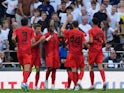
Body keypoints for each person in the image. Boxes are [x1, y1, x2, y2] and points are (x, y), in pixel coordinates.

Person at [61, 19, 86, 90]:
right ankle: (79, 81)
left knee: (73, 70)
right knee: (82, 69)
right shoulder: (81, 33)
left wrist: (66, 21)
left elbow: (62, 29)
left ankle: (76, 85)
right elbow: (84, 43)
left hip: (71, 54)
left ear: (72, 25)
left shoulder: (70, 32)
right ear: (78, 25)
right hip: (79, 54)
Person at [12, 17, 35, 91]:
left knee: (25, 69)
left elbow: (13, 38)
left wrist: (16, 44)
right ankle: (24, 83)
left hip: (19, 51)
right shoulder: (30, 30)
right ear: (27, 23)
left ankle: (25, 82)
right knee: (27, 69)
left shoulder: (17, 30)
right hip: (27, 51)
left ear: (21, 23)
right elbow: (33, 40)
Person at [88, 17, 107, 90]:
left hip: (92, 50)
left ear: (92, 23)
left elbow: (91, 41)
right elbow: (104, 42)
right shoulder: (101, 31)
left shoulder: (91, 30)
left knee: (91, 67)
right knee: (100, 67)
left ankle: (92, 85)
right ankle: (104, 81)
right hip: (99, 50)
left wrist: (86, 42)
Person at [44, 19, 60, 90]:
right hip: (49, 54)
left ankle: (53, 85)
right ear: (48, 28)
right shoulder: (46, 34)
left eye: (53, 27)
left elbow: (60, 43)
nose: (52, 28)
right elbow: (43, 41)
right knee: (49, 68)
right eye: (51, 27)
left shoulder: (56, 35)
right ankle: (46, 80)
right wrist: (49, 37)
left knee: (54, 69)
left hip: (56, 54)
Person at [31, 24, 45, 89]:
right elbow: (32, 46)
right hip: (31, 55)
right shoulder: (32, 35)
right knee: (29, 70)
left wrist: (43, 37)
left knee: (37, 70)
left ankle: (36, 85)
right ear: (35, 29)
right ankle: (24, 82)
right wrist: (40, 40)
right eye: (38, 29)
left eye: (40, 29)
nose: (39, 30)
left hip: (37, 55)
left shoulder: (40, 35)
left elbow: (44, 40)